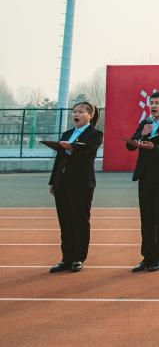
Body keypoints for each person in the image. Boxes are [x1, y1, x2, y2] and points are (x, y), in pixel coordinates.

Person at [126, 92, 159, 273]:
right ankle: (147, 256)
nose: (153, 106)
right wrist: (141, 134)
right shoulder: (145, 123)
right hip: (145, 175)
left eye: (157, 103)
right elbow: (130, 145)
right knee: (147, 218)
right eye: (151, 103)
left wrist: (154, 147)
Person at [47, 102, 103, 273]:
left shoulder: (95, 134)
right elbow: (59, 159)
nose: (76, 114)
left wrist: (72, 148)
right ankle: (66, 258)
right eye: (74, 111)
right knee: (65, 221)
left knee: (80, 221)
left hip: (81, 184)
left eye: (80, 112)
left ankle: (78, 258)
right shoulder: (67, 133)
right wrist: (53, 181)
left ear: (90, 115)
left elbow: (89, 153)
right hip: (62, 183)